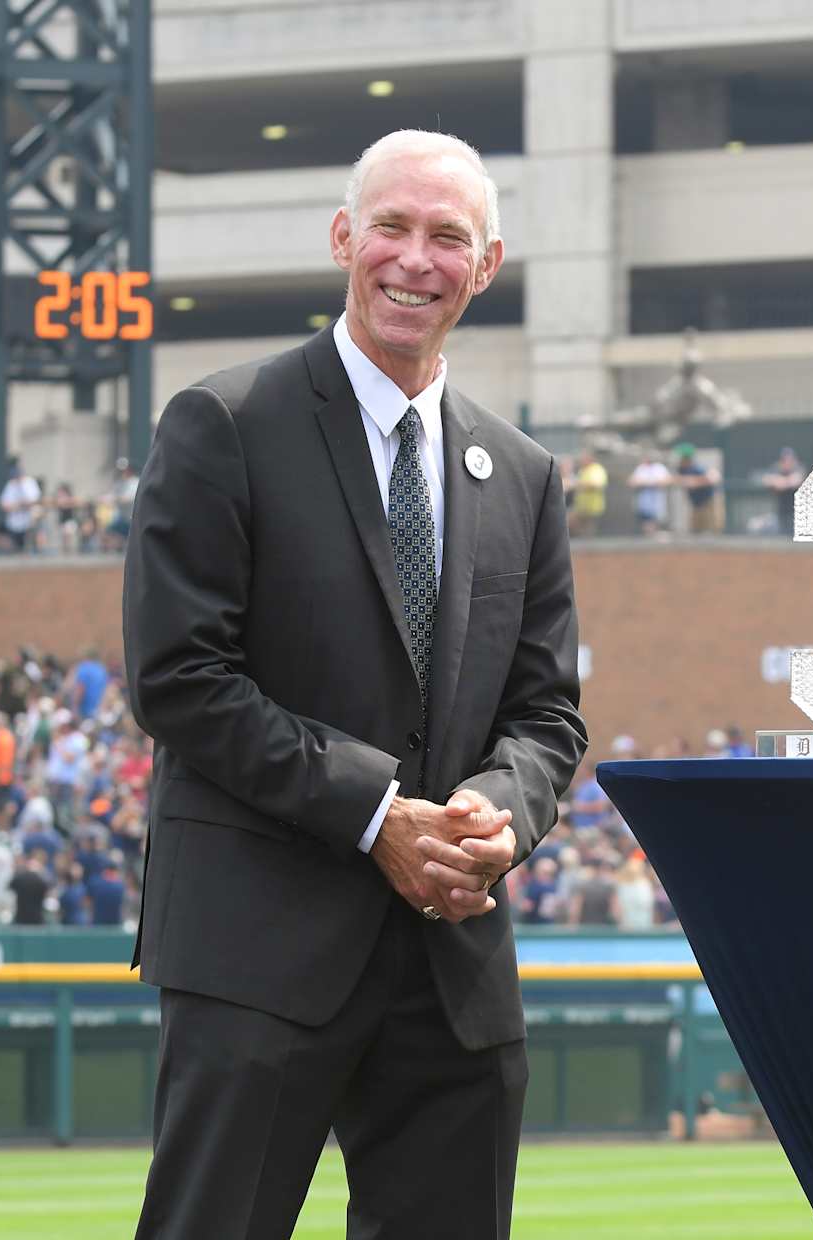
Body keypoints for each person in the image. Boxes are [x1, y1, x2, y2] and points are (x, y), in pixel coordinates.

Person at [123, 128, 588, 1240]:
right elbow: (178, 676)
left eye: (448, 238)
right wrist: (376, 812)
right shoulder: (224, 425)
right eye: (392, 227)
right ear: (344, 237)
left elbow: (546, 711)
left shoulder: (522, 473)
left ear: (486, 266)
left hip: (453, 959)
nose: (414, 260)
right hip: (257, 951)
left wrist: (500, 813)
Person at [627, 452, 672, 537]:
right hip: (644, 499)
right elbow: (632, 482)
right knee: (646, 520)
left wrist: (653, 483)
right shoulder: (641, 468)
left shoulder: (660, 468)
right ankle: (649, 536)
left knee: (657, 519)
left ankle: (655, 537)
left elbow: (668, 480)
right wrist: (645, 483)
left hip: (657, 499)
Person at [762, 447, 805, 535]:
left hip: (797, 513)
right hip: (780, 512)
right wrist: (780, 482)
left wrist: (782, 482)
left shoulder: (798, 468)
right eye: (785, 460)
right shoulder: (776, 469)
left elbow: (796, 480)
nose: (787, 462)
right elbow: (766, 479)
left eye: (790, 460)